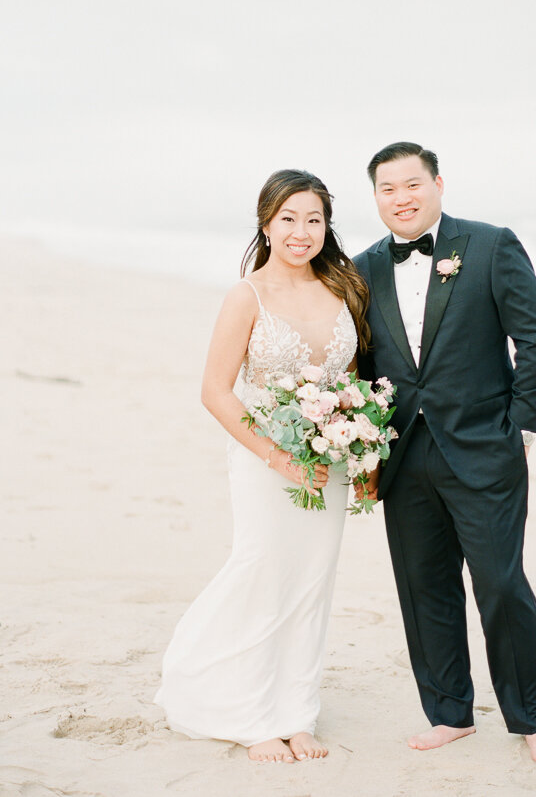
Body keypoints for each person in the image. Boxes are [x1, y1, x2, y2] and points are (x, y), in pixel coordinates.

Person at [352, 142, 536, 767]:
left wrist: (520, 428)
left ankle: (533, 719)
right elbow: (361, 363)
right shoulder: (362, 269)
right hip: (403, 454)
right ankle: (449, 713)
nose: (402, 198)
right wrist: (365, 446)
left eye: (412, 184)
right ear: (376, 197)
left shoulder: (490, 245)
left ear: (438, 184)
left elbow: (535, 337)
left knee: (500, 583)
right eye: (388, 189)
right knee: (425, 587)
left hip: (484, 448)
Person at [155, 169, 369, 763]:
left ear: (327, 226)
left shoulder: (345, 288)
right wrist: (280, 457)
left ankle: (297, 714)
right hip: (264, 458)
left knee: (313, 581)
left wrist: (359, 445)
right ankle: (250, 714)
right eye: (288, 219)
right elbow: (215, 391)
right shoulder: (245, 296)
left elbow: (353, 380)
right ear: (267, 225)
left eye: (314, 219)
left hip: (329, 461)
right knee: (264, 571)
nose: (302, 232)